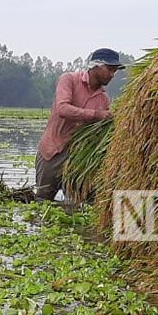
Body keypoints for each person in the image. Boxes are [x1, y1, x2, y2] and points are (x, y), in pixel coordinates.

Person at [35, 48, 125, 201]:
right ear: (95, 66)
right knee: (43, 199)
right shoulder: (68, 79)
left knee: (78, 202)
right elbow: (62, 108)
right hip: (53, 151)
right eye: (109, 69)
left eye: (114, 71)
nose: (112, 75)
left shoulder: (103, 99)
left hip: (78, 157)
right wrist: (97, 114)